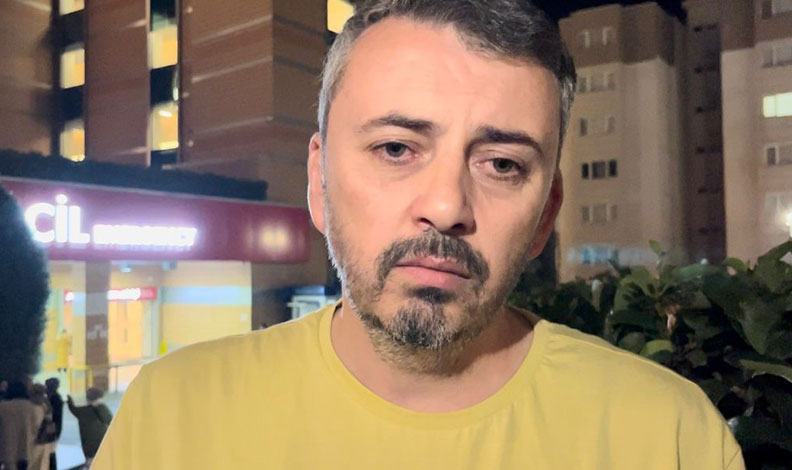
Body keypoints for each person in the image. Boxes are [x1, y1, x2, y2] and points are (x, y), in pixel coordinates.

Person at [93, 1, 744, 468]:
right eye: (396, 148)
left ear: (546, 215)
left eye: (502, 165)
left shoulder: (669, 436)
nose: (446, 205)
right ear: (318, 180)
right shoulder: (170, 416)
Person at [0, 382, 44, 470]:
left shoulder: (2, 406)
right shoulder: (34, 407)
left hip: (6, 448)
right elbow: (37, 426)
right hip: (27, 448)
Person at [67, 389, 112, 469]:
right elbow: (110, 421)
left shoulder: (82, 411)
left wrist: (69, 400)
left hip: (87, 445)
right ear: (99, 398)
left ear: (87, 399)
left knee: (90, 463)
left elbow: (73, 409)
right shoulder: (102, 408)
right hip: (101, 443)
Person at [27, 385, 52, 470]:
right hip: (44, 439)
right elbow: (50, 420)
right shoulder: (45, 405)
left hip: (34, 440)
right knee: (42, 463)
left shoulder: (29, 406)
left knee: (33, 463)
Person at [44, 379, 63, 470]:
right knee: (50, 451)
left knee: (50, 452)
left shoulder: (53, 398)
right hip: (54, 428)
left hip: (51, 429)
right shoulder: (55, 397)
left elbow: (52, 415)